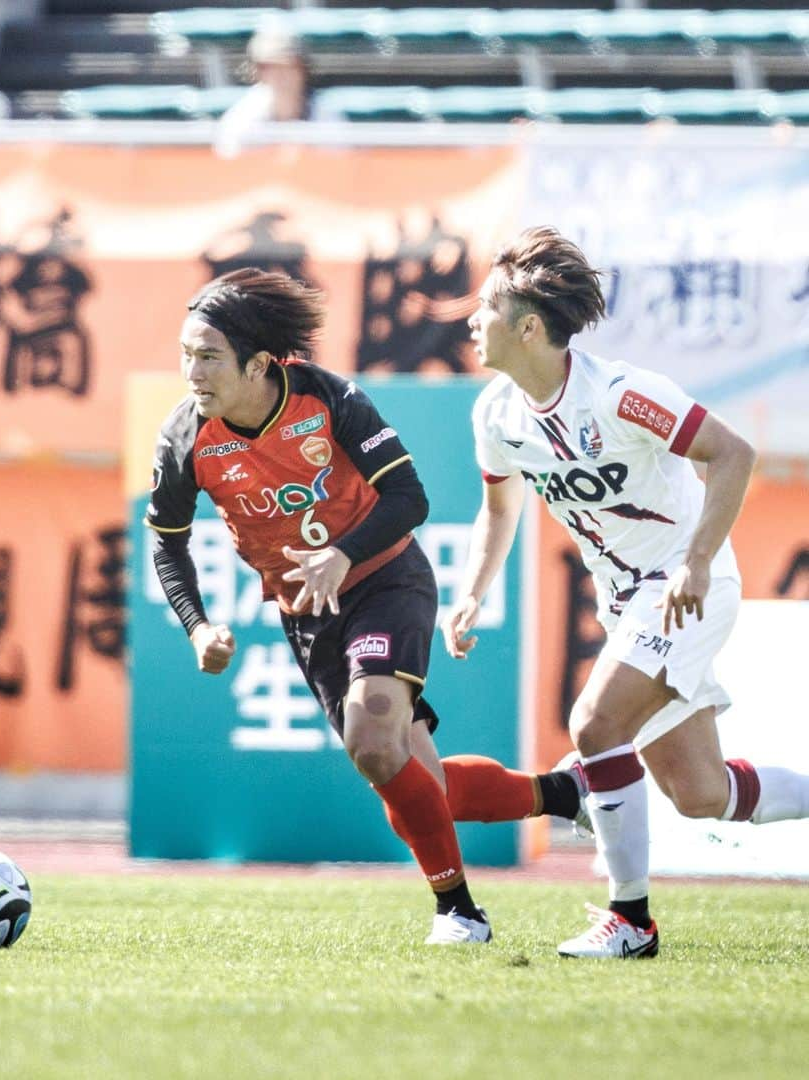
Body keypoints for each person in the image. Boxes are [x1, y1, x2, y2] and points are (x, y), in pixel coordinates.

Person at [146, 267, 586, 946]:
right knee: (411, 783)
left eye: (207, 357)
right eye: (185, 355)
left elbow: (411, 499)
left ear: (258, 363)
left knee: (370, 739)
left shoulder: (325, 398)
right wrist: (198, 626)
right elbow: (167, 543)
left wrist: (342, 555)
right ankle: (565, 795)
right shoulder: (185, 439)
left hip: (385, 580)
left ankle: (459, 912)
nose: (191, 372)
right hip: (307, 612)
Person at [446, 225, 809, 959]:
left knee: (593, 725)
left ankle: (631, 923)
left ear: (528, 327)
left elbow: (732, 452)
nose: (471, 320)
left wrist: (698, 561)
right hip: (629, 604)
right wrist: (472, 592)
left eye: (486, 307)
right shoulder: (496, 414)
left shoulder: (620, 393)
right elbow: (498, 509)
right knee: (702, 794)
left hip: (682, 588)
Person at [214, 25, 342, 157]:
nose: (281, 76)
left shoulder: (325, 116)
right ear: (259, 72)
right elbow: (230, 167)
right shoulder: (242, 118)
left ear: (302, 70)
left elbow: (339, 166)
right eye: (270, 68)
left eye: (289, 67)